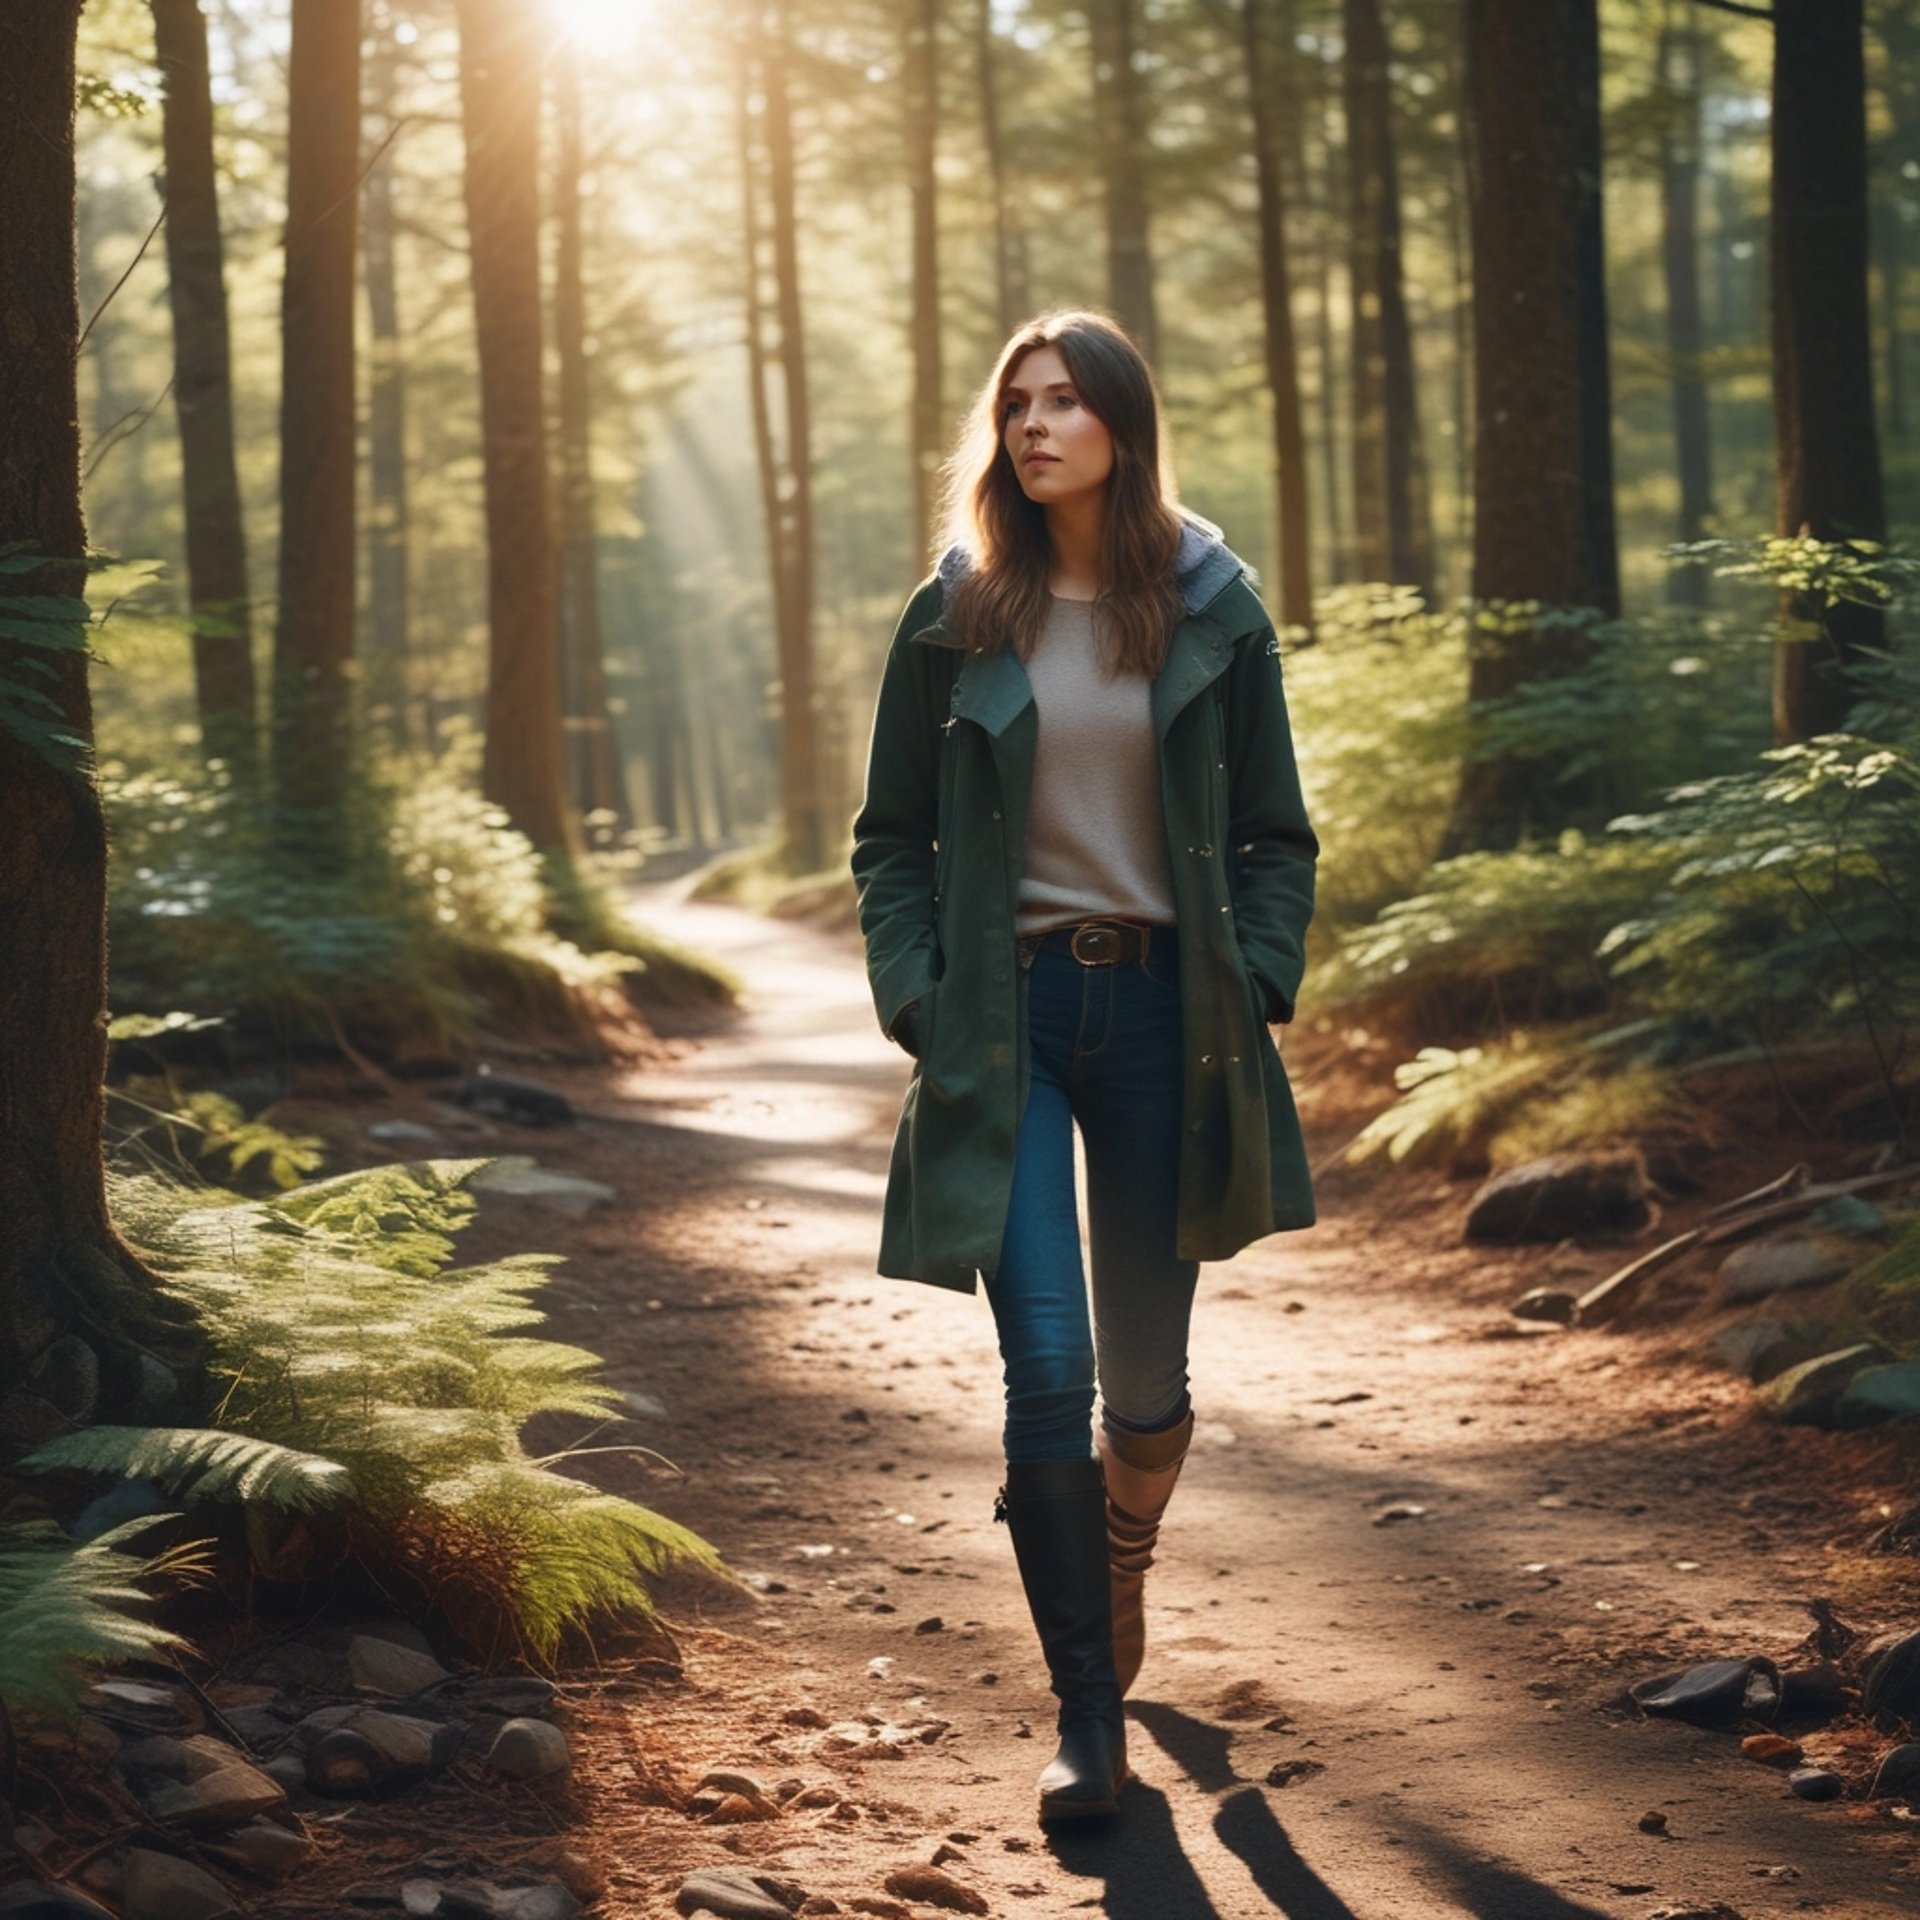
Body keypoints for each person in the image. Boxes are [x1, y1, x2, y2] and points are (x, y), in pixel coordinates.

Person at [849, 308, 1319, 1824]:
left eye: (1065, 401)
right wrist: (923, 998)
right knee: (1043, 1366)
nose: (1034, 425)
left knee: (1144, 1388)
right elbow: (890, 839)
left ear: (1122, 423)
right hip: (1011, 1021)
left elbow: (1274, 838)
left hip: (1169, 1029)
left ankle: (1124, 1550)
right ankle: (1084, 1721)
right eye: (1016, 403)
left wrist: (1249, 980)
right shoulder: (957, 611)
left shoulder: (1208, 605)